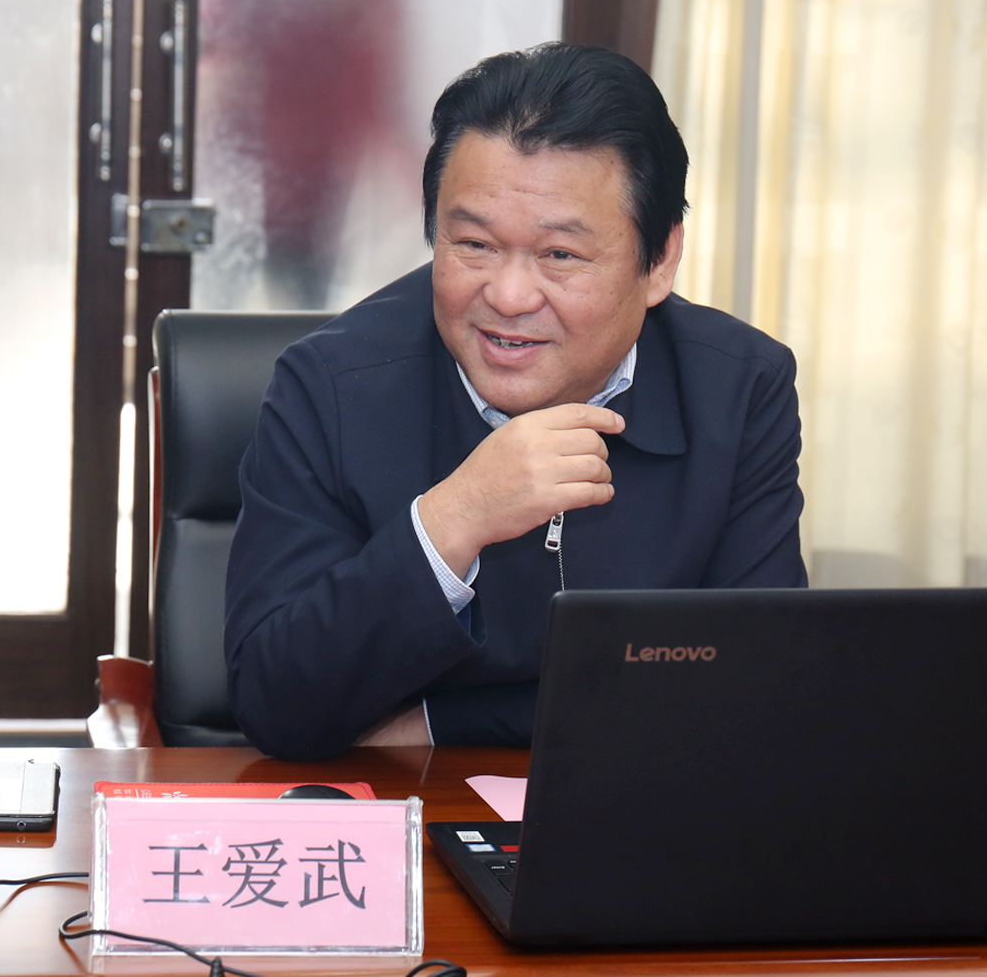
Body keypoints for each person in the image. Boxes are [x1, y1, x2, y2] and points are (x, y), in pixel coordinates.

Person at [225, 42, 807, 761]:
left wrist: (439, 721)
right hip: (410, 812)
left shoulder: (739, 388)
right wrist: (454, 519)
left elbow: (755, 692)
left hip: (642, 809)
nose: (506, 296)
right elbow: (277, 703)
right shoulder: (331, 385)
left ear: (659, 260)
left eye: (560, 255)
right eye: (474, 244)